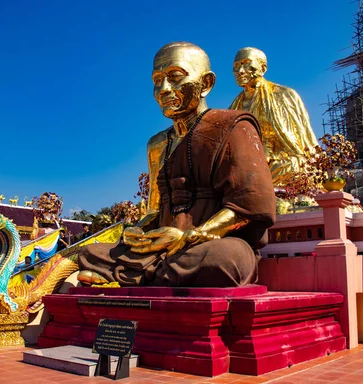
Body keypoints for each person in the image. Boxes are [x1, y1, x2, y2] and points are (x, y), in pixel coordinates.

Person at [78, 42, 275, 287]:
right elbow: (154, 210)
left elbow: (251, 207)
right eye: (157, 79)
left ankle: (139, 276)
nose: (163, 89)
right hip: (161, 248)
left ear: (206, 83)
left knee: (225, 260)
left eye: (175, 77)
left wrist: (191, 235)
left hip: (212, 242)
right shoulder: (158, 144)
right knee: (89, 254)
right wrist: (137, 232)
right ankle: (149, 273)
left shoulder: (234, 126)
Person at [229, 47, 319, 187]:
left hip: (279, 162)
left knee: (299, 166)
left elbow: (303, 139)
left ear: (263, 68)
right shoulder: (234, 108)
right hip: (247, 164)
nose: (240, 71)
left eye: (247, 63)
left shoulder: (284, 95)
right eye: (236, 66)